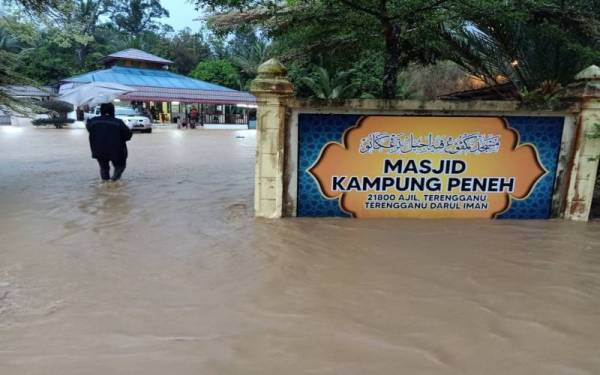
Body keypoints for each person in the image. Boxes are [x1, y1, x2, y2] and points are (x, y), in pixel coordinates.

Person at [86, 102, 132, 181]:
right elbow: (127, 135)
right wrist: (130, 128)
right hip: (116, 151)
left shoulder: (93, 121)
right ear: (113, 111)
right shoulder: (118, 122)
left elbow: (89, 129)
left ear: (101, 110)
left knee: (104, 168)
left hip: (99, 150)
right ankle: (114, 181)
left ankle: (105, 183)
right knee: (120, 166)